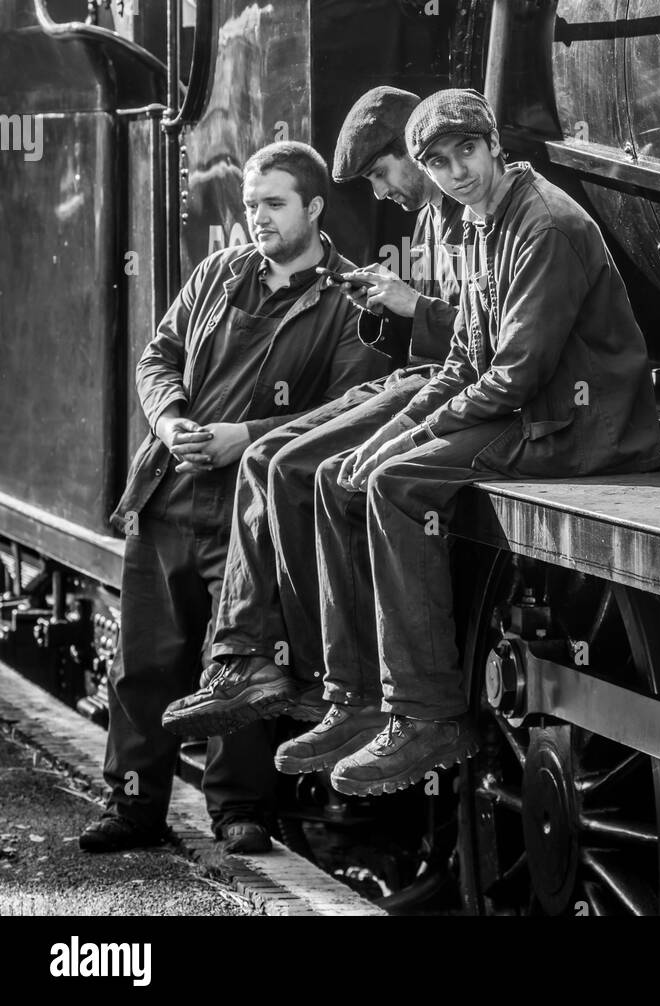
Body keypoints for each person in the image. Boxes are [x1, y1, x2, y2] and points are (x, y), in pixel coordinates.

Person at [275, 88, 660, 796]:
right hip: (530, 412)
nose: (456, 171)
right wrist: (388, 434)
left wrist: (407, 442)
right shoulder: (476, 226)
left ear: (492, 147)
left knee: (396, 486)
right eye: (438, 161)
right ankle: (358, 696)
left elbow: (514, 375)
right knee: (342, 474)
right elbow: (461, 363)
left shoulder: (540, 223)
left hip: (578, 430)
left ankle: (427, 715)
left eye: (467, 153)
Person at [79, 140, 382, 855]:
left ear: (313, 207)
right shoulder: (217, 273)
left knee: (242, 669)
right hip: (170, 496)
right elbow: (159, 356)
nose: (258, 219)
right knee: (144, 665)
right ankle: (132, 806)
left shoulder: (348, 301)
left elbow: (345, 413)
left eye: (273, 204)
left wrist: (242, 436)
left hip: (253, 515)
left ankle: (242, 811)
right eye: (250, 205)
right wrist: (172, 419)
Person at [160, 87, 464, 759]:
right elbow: (161, 355)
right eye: (252, 207)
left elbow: (486, 344)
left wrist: (413, 311)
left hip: (448, 388)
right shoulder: (442, 218)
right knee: (273, 456)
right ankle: (253, 663)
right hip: (427, 377)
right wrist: (397, 312)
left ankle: (333, 685)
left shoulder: (473, 215)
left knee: (307, 467)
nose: (383, 194)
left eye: (385, 175)